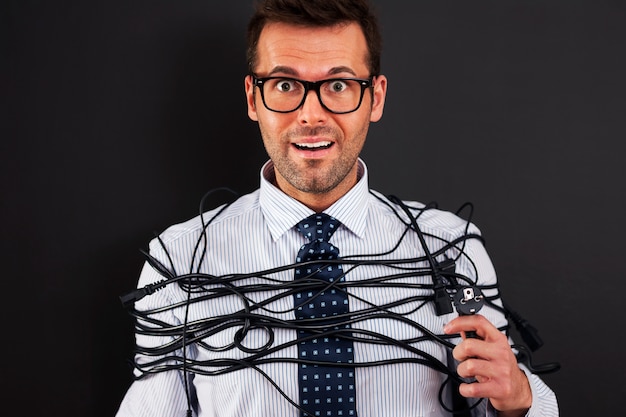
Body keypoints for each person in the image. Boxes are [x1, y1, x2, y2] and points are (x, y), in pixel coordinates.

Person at [116, 1, 558, 416]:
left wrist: (518, 399)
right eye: (286, 85)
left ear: (376, 98)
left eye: (339, 85)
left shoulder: (451, 247)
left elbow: (502, 399)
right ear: (253, 97)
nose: (311, 114)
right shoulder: (179, 262)